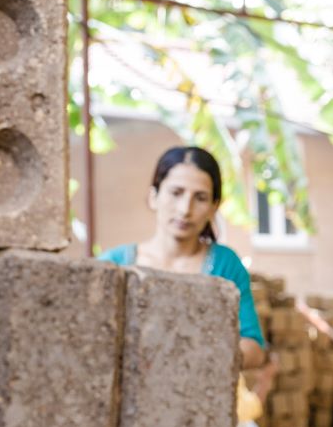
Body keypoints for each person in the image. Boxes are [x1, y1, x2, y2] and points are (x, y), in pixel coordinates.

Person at [99, 145, 267, 370]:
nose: (185, 209)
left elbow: (254, 349)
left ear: (213, 207)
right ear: (154, 197)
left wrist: (197, 361)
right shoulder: (113, 264)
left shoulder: (225, 265)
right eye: (176, 193)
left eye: (200, 198)